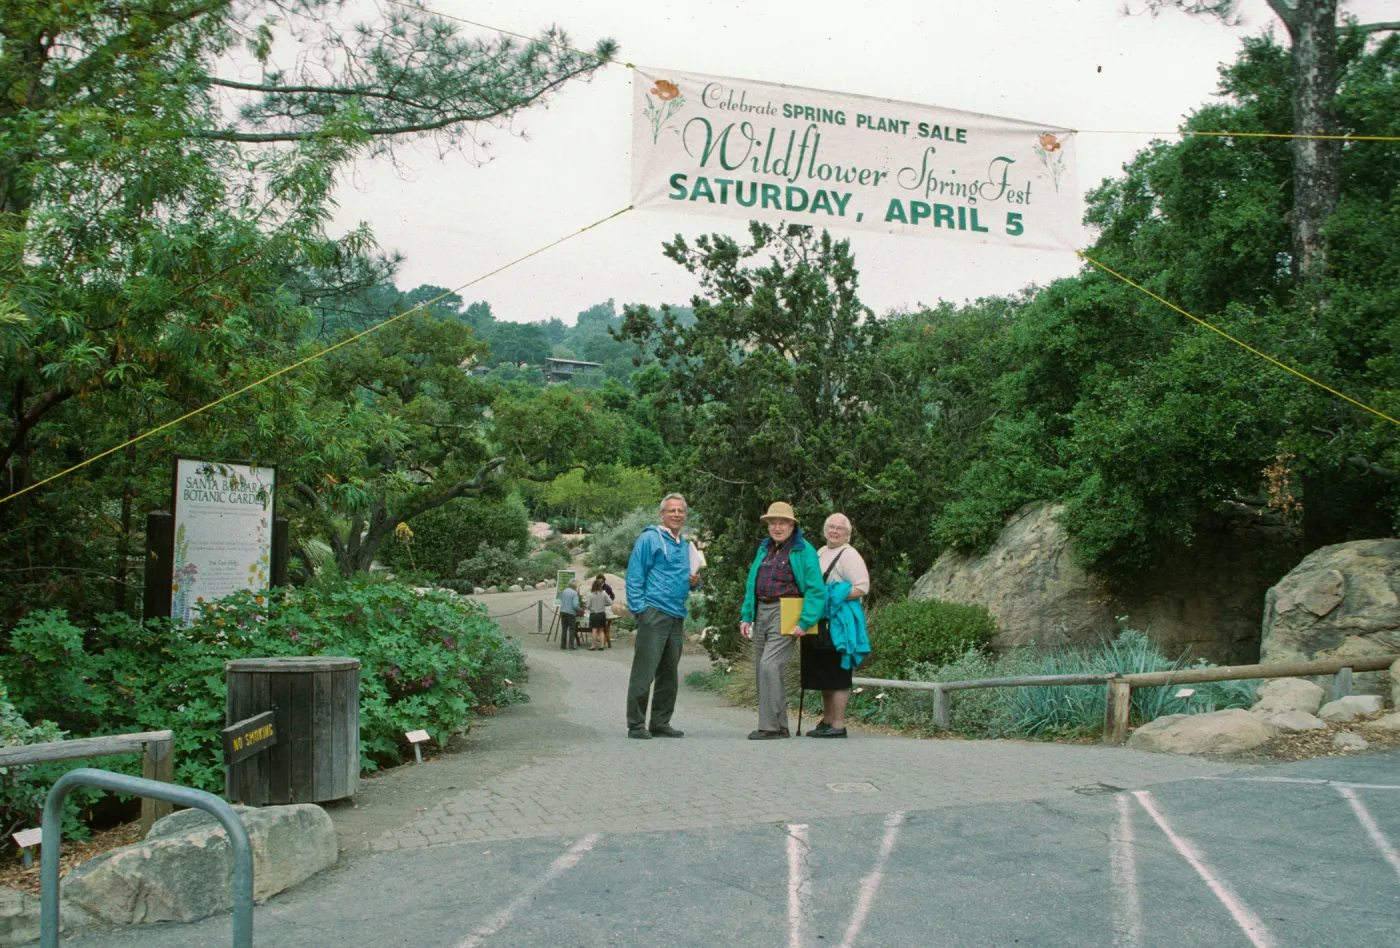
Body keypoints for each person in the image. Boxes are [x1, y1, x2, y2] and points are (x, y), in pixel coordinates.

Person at [739, 502, 826, 740]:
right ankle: (778, 724)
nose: (777, 528)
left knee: (770, 665)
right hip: (762, 609)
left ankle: (771, 727)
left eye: (782, 523)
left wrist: (805, 621)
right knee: (762, 668)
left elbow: (816, 590)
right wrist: (747, 614)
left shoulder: (803, 550)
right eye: (772, 523)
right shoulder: (764, 548)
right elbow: (752, 583)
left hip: (787, 610)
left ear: (792, 525)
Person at [624, 494, 700, 739]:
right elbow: (635, 577)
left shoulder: (684, 544)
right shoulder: (649, 539)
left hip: (677, 614)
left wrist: (695, 583)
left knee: (669, 674)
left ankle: (660, 722)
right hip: (654, 613)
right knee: (644, 672)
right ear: (662, 514)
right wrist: (641, 611)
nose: (677, 515)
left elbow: (689, 580)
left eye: (681, 511)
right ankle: (636, 725)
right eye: (672, 510)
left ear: (685, 515)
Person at [801, 513, 871, 738]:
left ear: (847, 534)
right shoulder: (821, 552)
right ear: (824, 530)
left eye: (839, 528)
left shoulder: (849, 555)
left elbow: (862, 587)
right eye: (830, 527)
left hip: (840, 621)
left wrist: (832, 597)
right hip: (824, 621)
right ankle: (828, 720)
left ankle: (838, 725)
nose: (834, 531)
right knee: (825, 669)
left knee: (839, 669)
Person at [586, 574, 613, 651]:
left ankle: (593, 646)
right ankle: (602, 646)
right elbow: (610, 602)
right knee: (601, 630)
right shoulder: (604, 593)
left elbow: (587, 606)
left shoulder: (590, 594)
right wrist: (604, 604)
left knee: (594, 630)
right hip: (601, 613)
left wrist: (591, 607)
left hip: (594, 613)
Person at [558, 581, 581, 650]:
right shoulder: (574, 593)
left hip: (562, 611)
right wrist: (580, 610)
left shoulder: (564, 591)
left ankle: (563, 645)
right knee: (572, 629)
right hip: (571, 613)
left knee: (564, 629)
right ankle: (571, 646)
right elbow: (575, 605)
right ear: (574, 586)